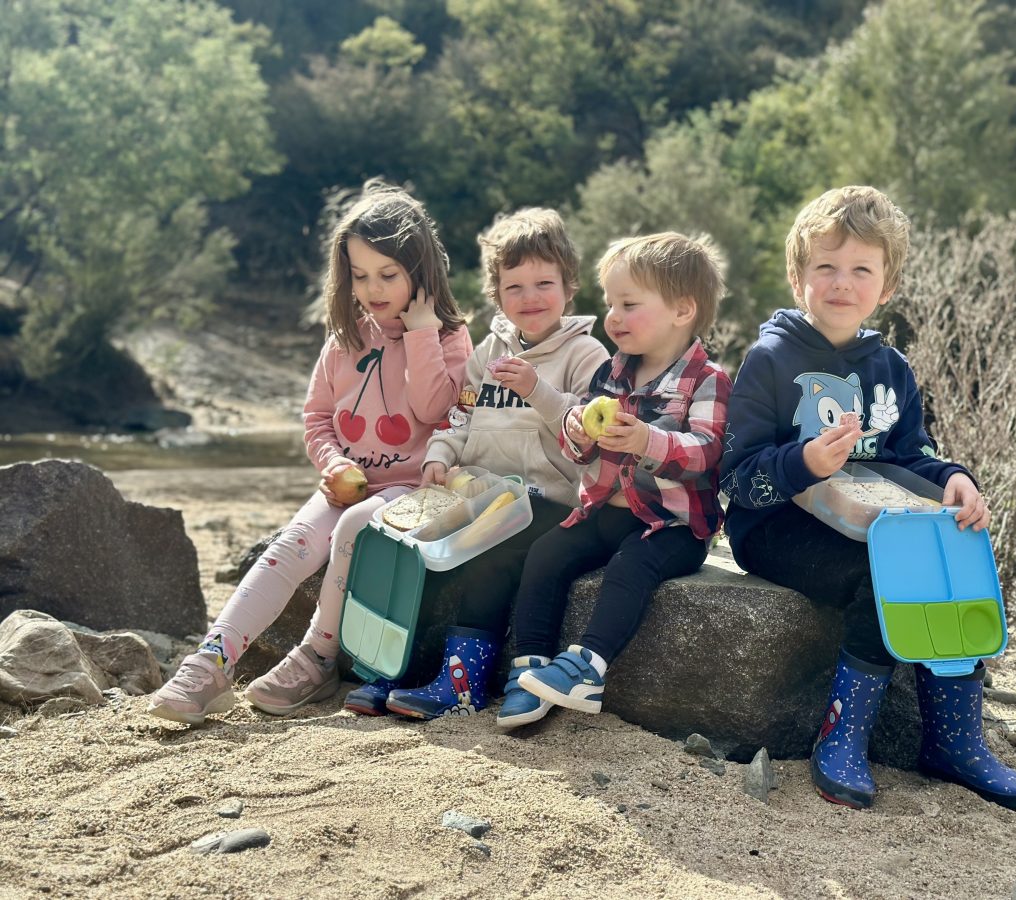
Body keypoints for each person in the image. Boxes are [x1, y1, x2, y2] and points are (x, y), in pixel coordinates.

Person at [719, 185, 1016, 812]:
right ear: (797, 277)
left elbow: (910, 456)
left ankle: (955, 742)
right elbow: (735, 478)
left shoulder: (890, 366)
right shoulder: (770, 359)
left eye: (861, 269)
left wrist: (952, 478)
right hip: (777, 527)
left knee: (957, 556)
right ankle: (843, 735)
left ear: (886, 285)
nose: (842, 282)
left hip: (874, 519)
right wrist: (804, 460)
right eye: (826, 267)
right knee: (886, 574)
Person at [148, 182, 471, 725]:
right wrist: (332, 463)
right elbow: (317, 418)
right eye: (360, 275)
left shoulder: (450, 339)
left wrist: (420, 333)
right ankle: (211, 661)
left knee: (352, 530)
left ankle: (318, 655)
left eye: (388, 275)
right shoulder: (346, 336)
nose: (373, 288)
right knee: (291, 543)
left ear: (422, 271)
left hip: (416, 490)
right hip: (351, 482)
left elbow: (435, 407)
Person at [344, 207, 609, 718]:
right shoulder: (487, 353)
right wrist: (440, 456)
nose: (530, 298)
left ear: (570, 287)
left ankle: (463, 682)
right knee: (418, 549)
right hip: (484, 492)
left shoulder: (586, 355)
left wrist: (538, 390)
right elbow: (458, 419)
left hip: (548, 500)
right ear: (497, 295)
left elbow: (587, 437)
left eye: (544, 283)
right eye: (515, 288)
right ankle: (402, 670)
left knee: (489, 553)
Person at [495, 232, 731, 729]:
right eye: (610, 304)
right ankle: (531, 668)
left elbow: (707, 452)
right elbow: (581, 448)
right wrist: (576, 429)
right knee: (546, 553)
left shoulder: (707, 380)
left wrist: (648, 441)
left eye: (628, 304)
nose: (613, 317)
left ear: (682, 311)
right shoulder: (611, 371)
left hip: (671, 527)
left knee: (629, 568)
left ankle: (588, 667)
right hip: (605, 510)